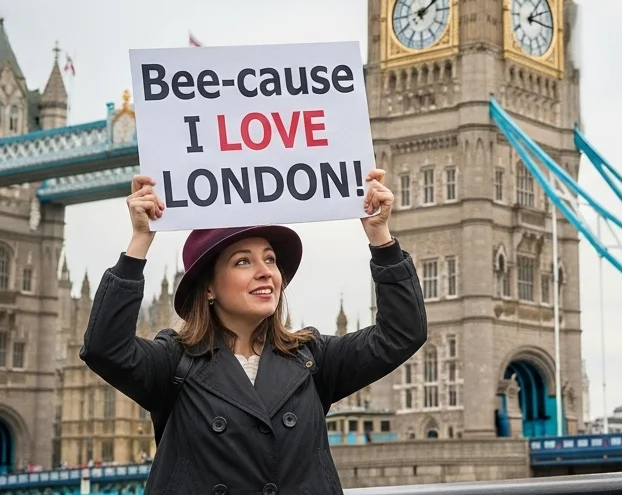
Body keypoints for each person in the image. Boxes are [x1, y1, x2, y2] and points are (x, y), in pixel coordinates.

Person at [80, 169, 427, 494]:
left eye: (271, 259)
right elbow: (105, 348)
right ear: (209, 288)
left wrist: (381, 238)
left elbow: (401, 333)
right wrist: (140, 239)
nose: (265, 272)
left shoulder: (311, 359)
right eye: (243, 261)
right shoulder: (175, 363)